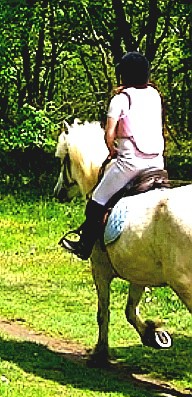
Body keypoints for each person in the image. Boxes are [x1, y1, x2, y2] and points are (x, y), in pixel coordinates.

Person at [60, 51, 165, 260]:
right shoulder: (155, 95)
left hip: (129, 164)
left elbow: (109, 135)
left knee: (96, 200)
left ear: (123, 75)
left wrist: (112, 152)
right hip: (157, 162)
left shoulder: (120, 99)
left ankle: (84, 245)